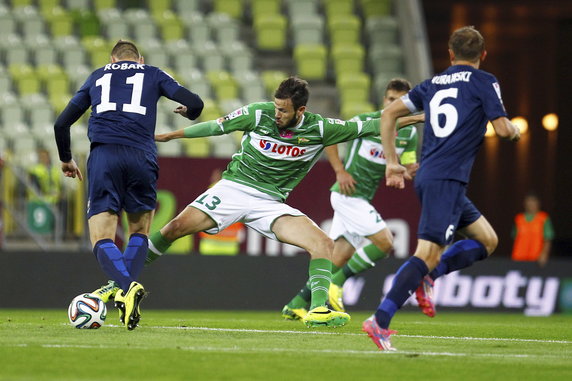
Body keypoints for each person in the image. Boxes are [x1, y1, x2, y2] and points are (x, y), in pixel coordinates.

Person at [145, 77, 385, 328]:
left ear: (300, 110)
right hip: (235, 188)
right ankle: (121, 280)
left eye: (283, 110)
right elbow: (216, 127)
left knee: (323, 242)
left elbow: (371, 126)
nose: (277, 113)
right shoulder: (258, 114)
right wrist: (171, 135)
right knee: (174, 228)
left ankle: (317, 310)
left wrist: (414, 115)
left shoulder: (320, 129)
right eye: (276, 106)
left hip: (270, 203)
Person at [362, 26, 520, 350]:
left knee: (487, 240)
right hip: (445, 179)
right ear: (483, 55)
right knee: (427, 253)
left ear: (450, 54)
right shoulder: (484, 81)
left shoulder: (432, 84)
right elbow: (503, 130)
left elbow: (389, 113)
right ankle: (380, 320)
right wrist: (516, 130)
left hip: (437, 178)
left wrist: (392, 160)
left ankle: (430, 276)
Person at [53, 39, 204, 330]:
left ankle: (126, 288)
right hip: (141, 156)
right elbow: (196, 103)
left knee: (101, 238)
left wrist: (66, 159)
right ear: (141, 59)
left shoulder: (98, 75)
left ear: (112, 59)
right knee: (138, 232)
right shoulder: (154, 73)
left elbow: (62, 124)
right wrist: (189, 112)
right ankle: (127, 293)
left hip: (105, 155)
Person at [281, 78, 424, 320]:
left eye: (399, 100)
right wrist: (340, 171)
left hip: (362, 197)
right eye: (390, 99)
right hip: (348, 195)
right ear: (384, 100)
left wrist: (412, 170)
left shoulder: (408, 134)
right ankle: (336, 284)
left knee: (338, 257)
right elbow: (331, 138)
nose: (394, 103)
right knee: (385, 243)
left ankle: (295, 305)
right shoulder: (366, 121)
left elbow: (409, 164)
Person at [511, 193, 554, 266]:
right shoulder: (519, 219)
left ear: (538, 203)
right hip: (519, 258)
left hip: (536, 259)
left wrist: (544, 254)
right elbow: (514, 237)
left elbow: (548, 238)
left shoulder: (543, 218)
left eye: (533, 201)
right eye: (528, 201)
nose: (531, 204)